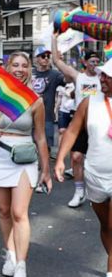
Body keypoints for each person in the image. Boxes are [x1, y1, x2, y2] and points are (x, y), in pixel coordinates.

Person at [0, 51, 52, 277]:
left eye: (24, 65)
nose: (20, 69)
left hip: (24, 158)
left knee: (19, 212)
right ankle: (10, 254)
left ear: (29, 69)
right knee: (3, 211)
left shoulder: (35, 100)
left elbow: (41, 137)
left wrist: (46, 170)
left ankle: (21, 266)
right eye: (15, 65)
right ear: (8, 67)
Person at [55, 58, 112, 277]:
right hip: (95, 175)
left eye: (107, 77)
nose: (102, 79)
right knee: (106, 227)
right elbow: (73, 131)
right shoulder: (90, 103)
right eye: (101, 75)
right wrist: (60, 160)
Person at [52, 36, 101, 207]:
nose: (95, 64)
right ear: (85, 62)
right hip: (80, 123)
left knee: (98, 158)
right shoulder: (78, 77)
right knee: (76, 157)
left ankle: (98, 191)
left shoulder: (103, 77)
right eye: (92, 61)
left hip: (99, 122)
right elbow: (57, 61)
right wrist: (54, 39)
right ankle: (79, 192)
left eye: (97, 61)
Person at [32, 46, 65, 157]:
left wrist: (61, 63)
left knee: (45, 146)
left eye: (48, 56)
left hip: (47, 116)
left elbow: (67, 80)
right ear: (36, 59)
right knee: (31, 145)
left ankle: (44, 170)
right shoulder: (30, 73)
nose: (46, 58)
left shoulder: (54, 74)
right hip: (29, 114)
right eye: (43, 56)